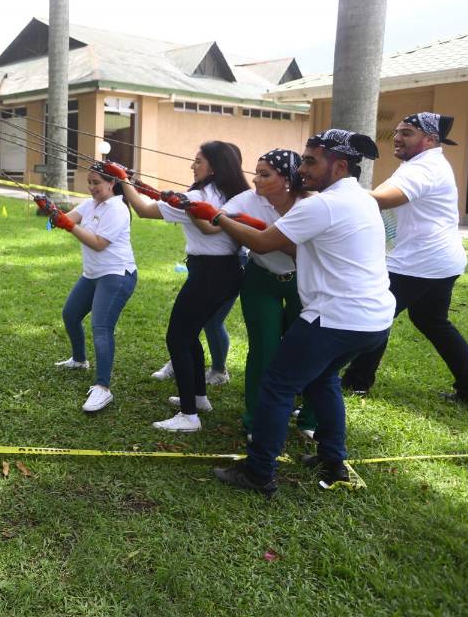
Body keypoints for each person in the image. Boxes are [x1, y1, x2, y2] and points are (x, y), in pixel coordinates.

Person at [209, 129, 394, 495]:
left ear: (339, 165)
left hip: (334, 317)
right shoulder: (361, 199)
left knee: (276, 386)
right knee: (323, 380)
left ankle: (259, 472)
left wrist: (221, 219)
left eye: (311, 161)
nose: (302, 168)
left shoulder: (320, 205)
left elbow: (262, 242)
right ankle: (332, 459)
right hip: (374, 320)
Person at [341, 112, 468, 409]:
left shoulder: (424, 168)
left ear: (431, 139)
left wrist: (336, 191)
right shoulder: (424, 164)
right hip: (439, 261)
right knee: (432, 321)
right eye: (397, 131)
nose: (397, 137)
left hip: (419, 263)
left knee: (376, 316)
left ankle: (356, 383)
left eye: (407, 132)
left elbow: (382, 199)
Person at [118, 141, 249, 431]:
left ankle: (189, 416)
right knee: (189, 335)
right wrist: (134, 181)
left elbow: (144, 209)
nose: (193, 166)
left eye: (198, 161)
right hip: (229, 273)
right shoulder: (237, 195)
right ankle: (199, 398)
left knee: (177, 338)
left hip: (208, 274)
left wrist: (124, 181)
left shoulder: (197, 197)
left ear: (213, 166)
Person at [222, 149, 316, 440]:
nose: (256, 180)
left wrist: (267, 234)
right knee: (263, 349)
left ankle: (310, 419)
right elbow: (217, 216)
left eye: (265, 175)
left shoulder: (310, 204)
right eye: (256, 173)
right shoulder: (248, 200)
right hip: (261, 279)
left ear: (287, 179)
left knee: (309, 349)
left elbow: (308, 251)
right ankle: (256, 420)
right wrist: (195, 208)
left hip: (304, 282)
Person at [48, 166, 138, 413]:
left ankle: (103, 388)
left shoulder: (117, 208)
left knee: (101, 327)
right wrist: (53, 212)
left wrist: (67, 225)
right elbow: (69, 218)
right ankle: (79, 361)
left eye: (96, 182)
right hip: (93, 274)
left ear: (112, 183)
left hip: (117, 275)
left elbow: (98, 244)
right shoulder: (90, 204)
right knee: (70, 314)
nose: (92, 187)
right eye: (89, 182)